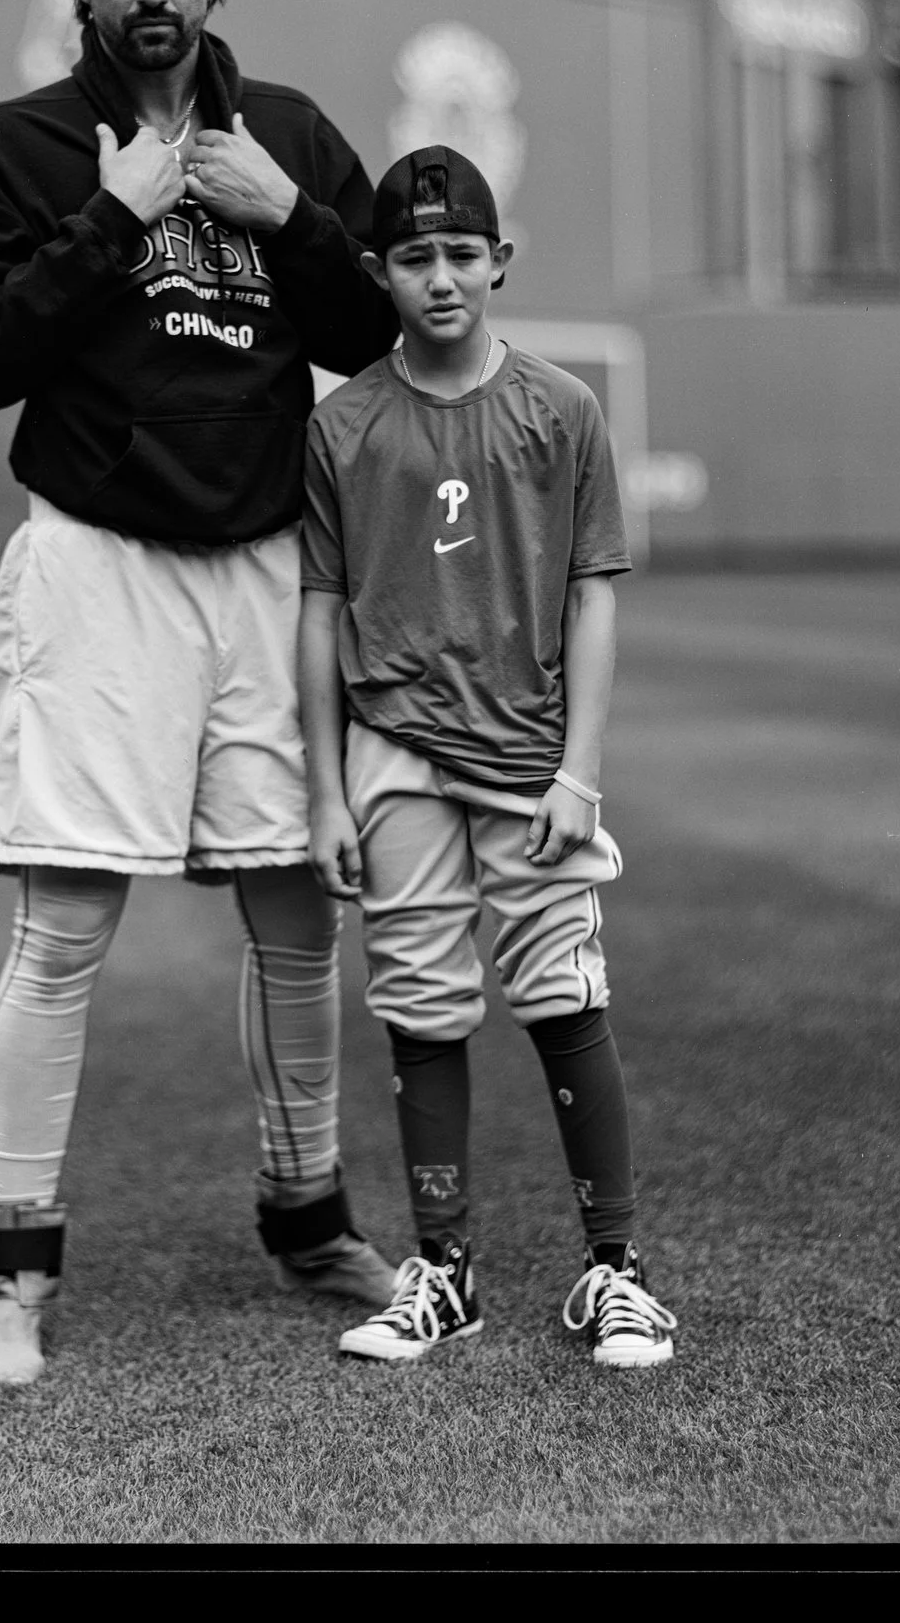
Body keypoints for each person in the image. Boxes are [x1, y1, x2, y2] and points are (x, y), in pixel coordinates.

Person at [0, 0, 402, 1386]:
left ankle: (309, 1216)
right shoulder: (19, 148)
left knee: (293, 911)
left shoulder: (298, 139)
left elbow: (374, 334)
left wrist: (291, 220)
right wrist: (111, 219)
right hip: (99, 564)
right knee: (65, 922)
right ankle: (15, 1278)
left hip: (266, 564)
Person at [297, 145, 679, 1369]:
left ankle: (614, 1271)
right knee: (417, 1002)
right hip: (395, 754)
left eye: (463, 252)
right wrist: (321, 789)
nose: (442, 277)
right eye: (415, 258)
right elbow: (317, 610)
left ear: (500, 260)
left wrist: (579, 772)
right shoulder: (343, 423)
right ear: (379, 271)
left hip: (526, 762)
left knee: (563, 995)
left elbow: (594, 595)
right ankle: (444, 1271)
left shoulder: (561, 409)